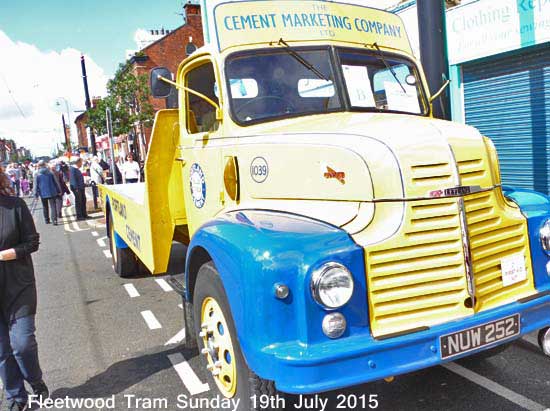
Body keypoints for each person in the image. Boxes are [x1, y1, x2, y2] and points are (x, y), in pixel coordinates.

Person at [0, 169, 48, 411]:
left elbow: (32, 242)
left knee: (22, 344)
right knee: (2, 352)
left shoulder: (14, 206)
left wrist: (3, 255)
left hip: (19, 287)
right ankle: (16, 397)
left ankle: (36, 381)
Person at [34, 161, 61, 225]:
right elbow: (55, 182)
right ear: (44, 165)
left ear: (39, 166)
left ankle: (47, 220)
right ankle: (54, 220)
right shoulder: (50, 172)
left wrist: (36, 194)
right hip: (52, 191)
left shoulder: (37, 174)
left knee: (45, 206)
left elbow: (35, 185)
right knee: (53, 206)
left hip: (43, 193)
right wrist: (59, 190)